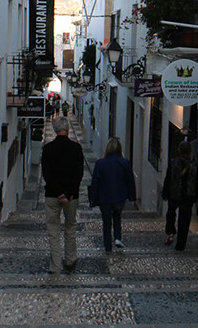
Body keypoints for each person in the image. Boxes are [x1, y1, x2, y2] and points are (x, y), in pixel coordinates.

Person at [40, 115, 84, 274]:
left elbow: (46, 174)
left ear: (54, 130)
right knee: (70, 228)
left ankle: (55, 265)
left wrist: (59, 193)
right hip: (71, 197)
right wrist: (69, 193)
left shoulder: (48, 149)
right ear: (67, 129)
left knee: (53, 231)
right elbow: (79, 174)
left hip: (52, 196)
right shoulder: (76, 148)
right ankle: (70, 259)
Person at [90, 136, 136, 252]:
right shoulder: (125, 163)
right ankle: (117, 238)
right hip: (119, 197)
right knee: (117, 217)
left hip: (104, 198)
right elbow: (130, 180)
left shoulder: (100, 163)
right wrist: (132, 196)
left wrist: (93, 200)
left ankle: (107, 245)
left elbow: (95, 182)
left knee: (106, 222)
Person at [162, 140, 198, 251]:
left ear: (179, 150)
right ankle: (181, 244)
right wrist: (195, 196)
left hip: (174, 195)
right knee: (184, 221)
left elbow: (168, 179)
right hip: (187, 197)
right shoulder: (193, 165)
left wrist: (165, 193)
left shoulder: (174, 162)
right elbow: (197, 183)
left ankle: (170, 231)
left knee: (171, 213)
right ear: (190, 151)